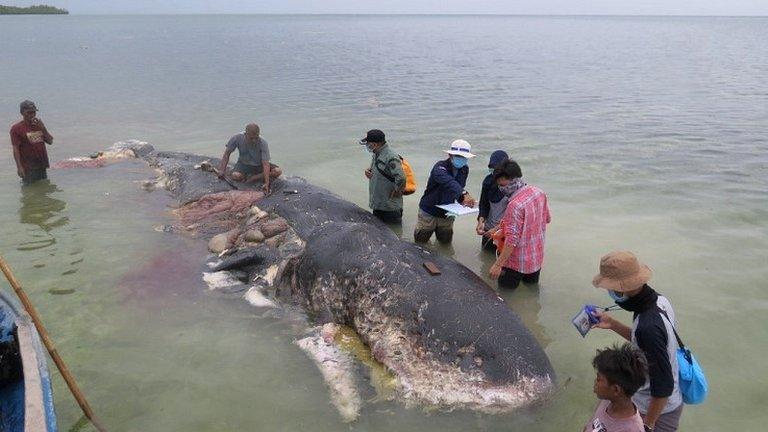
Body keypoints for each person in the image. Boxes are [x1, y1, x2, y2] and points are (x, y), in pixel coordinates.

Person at [591, 251, 684, 432]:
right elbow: (646, 343)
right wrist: (612, 324)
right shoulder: (659, 301)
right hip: (665, 400)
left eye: (610, 288)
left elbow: (663, 386)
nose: (609, 292)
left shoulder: (647, 327)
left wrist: (647, 426)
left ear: (622, 288)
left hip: (658, 411)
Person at [488, 159, 550, 288]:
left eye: (502, 184)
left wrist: (498, 265)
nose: (501, 188)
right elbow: (547, 219)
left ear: (513, 179)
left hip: (515, 262)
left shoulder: (514, 205)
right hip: (535, 258)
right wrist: (499, 227)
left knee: (505, 296)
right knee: (531, 293)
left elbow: (511, 240)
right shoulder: (539, 192)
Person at [414, 139, 477, 243]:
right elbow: (449, 182)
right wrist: (464, 193)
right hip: (429, 211)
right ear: (450, 155)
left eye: (464, 157)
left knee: (445, 242)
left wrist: (464, 201)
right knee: (420, 242)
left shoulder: (464, 169)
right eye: (458, 156)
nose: (461, 159)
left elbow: (458, 187)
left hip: (448, 212)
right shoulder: (439, 167)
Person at [584, 343, 648, 432]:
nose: (595, 382)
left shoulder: (632, 429)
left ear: (615, 389)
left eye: (598, 379)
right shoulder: (606, 401)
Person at [217, 123, 282, 193]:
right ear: (245, 134)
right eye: (251, 138)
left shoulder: (263, 143)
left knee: (278, 171)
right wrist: (222, 170)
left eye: (256, 138)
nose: (254, 140)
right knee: (235, 176)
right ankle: (245, 176)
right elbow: (227, 154)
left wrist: (266, 183)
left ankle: (254, 177)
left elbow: (265, 164)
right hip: (243, 164)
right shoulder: (236, 138)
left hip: (259, 164)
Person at [361, 129, 406, 224]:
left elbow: (401, 177)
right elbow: (381, 169)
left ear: (375, 144)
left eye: (368, 143)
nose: (367, 146)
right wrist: (368, 171)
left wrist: (397, 191)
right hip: (379, 204)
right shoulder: (377, 154)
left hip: (389, 208)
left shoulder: (391, 156)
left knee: (393, 234)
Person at [10, 100, 54, 184]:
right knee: (29, 192)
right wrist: (19, 167)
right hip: (28, 167)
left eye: (33, 112)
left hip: (42, 165)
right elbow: (15, 149)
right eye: (29, 112)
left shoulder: (38, 126)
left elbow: (50, 141)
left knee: (43, 190)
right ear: (22, 113)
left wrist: (43, 128)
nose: (32, 115)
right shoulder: (16, 128)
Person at [476, 150, 509, 251]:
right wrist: (481, 221)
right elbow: (483, 204)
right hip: (488, 229)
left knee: (502, 261)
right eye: (492, 168)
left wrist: (497, 228)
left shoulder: (514, 186)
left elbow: (513, 216)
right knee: (486, 258)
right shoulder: (488, 181)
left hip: (506, 232)